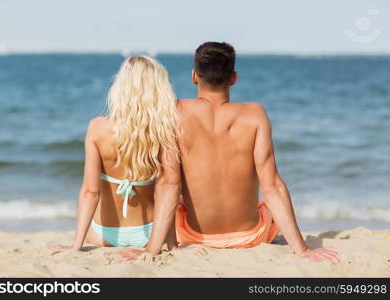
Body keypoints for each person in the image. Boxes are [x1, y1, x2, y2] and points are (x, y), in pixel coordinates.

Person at [174, 42, 340, 264]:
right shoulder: (255, 114)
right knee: (263, 204)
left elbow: (168, 184)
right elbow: (272, 186)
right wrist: (302, 250)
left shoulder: (176, 112)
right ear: (233, 78)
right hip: (250, 237)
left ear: (194, 76)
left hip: (191, 237)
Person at [49, 56, 181, 256]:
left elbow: (90, 192)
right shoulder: (163, 131)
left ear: (120, 87)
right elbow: (169, 187)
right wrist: (173, 245)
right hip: (151, 234)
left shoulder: (97, 128)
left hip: (103, 235)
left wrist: (77, 245)